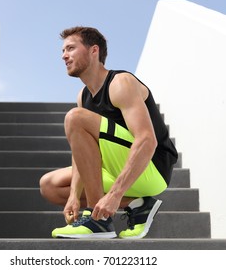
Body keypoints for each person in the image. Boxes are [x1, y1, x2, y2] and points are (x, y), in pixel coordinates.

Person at [39, 26, 178, 239]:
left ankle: (99, 222)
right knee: (50, 186)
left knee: (75, 117)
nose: (64, 56)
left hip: (152, 168)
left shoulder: (120, 82)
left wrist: (114, 194)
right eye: (62, 51)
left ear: (94, 50)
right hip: (114, 166)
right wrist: (74, 196)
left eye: (70, 48)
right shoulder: (82, 96)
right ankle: (138, 205)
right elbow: (81, 153)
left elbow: (147, 140)